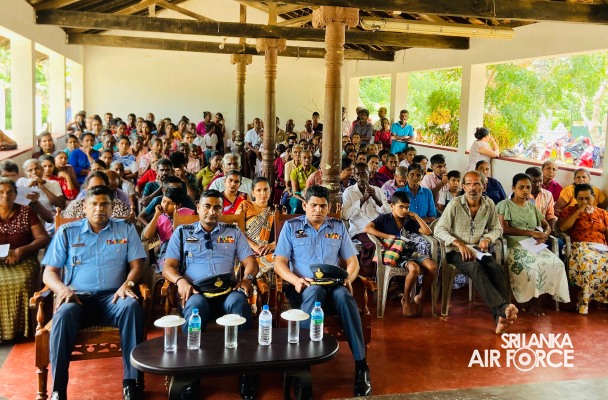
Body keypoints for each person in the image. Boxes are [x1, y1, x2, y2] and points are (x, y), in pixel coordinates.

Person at [42, 185, 147, 400]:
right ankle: (58, 390)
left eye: (104, 204)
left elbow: (138, 265)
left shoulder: (126, 229)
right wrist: (62, 289)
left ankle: (131, 383)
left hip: (113, 298)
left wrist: (127, 284)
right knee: (63, 314)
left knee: (132, 307)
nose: (100, 209)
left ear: (112, 206)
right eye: (94, 204)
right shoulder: (67, 232)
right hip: (78, 298)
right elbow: (49, 272)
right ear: (84, 206)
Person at [274, 185, 371, 396]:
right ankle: (303, 366)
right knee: (314, 292)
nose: (318, 210)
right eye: (314, 205)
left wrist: (349, 279)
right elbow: (279, 263)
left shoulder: (338, 227)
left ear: (328, 207)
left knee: (345, 296)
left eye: (322, 206)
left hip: (333, 286)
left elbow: (352, 261)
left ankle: (361, 365)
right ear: (305, 205)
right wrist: (295, 280)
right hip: (304, 288)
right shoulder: (291, 227)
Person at [162, 189, 259, 399]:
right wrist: (180, 281)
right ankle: (190, 376)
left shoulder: (233, 232)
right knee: (195, 309)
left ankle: (247, 373)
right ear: (198, 208)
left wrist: (247, 279)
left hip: (227, 292)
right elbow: (168, 267)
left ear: (222, 210)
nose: (212, 212)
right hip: (197, 292)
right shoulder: (182, 232)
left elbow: (251, 263)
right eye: (207, 206)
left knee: (240, 303)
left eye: (217, 207)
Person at [434, 170, 518, 334]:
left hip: (478, 250)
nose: (473, 188)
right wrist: (458, 243)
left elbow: (497, 229)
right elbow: (439, 229)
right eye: (469, 184)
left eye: (477, 184)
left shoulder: (489, 204)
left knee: (495, 267)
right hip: (455, 251)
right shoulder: (455, 204)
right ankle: (503, 309)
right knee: (474, 268)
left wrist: (487, 239)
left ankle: (500, 318)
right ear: (463, 187)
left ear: (484, 187)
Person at [496, 173, 569, 316]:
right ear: (513, 188)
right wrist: (532, 232)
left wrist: (544, 235)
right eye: (521, 187)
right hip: (515, 245)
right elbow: (504, 229)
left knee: (557, 264)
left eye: (528, 187)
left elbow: (546, 225)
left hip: (534, 244)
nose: (525, 190)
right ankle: (533, 300)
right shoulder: (505, 205)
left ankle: (541, 297)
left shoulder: (531, 206)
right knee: (532, 267)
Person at [363, 191, 437, 317]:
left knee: (432, 266)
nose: (404, 210)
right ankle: (406, 299)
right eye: (401, 207)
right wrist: (387, 236)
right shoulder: (384, 218)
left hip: (410, 252)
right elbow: (367, 228)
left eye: (407, 207)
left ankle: (420, 297)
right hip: (395, 253)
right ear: (392, 206)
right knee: (414, 268)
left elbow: (427, 232)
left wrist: (416, 216)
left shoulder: (408, 221)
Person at [0, 178, 50, 341]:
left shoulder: (26, 211)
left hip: (25, 259)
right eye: (1, 192)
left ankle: (21, 331)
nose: (5, 195)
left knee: (21, 281)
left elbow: (43, 238)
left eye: (9, 192)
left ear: (15, 194)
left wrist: (21, 250)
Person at [558, 183, 608, 314]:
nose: (584, 201)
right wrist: (579, 211)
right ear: (575, 198)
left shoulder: (602, 213)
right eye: (580, 198)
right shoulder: (569, 211)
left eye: (588, 198)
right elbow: (562, 227)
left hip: (601, 247)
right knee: (588, 262)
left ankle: (602, 299)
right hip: (580, 246)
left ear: (594, 197)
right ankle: (584, 301)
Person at [142, 187, 194, 273]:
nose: (165, 205)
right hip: (167, 249)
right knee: (168, 268)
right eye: (163, 201)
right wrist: (156, 215)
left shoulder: (187, 213)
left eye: (169, 203)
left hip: (186, 246)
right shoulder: (159, 217)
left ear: (178, 205)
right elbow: (147, 235)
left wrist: (176, 217)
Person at [17, 159, 66, 234]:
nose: (34, 172)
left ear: (42, 169)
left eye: (37, 168)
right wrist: (29, 185)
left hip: (49, 220)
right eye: (30, 170)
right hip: (27, 221)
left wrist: (43, 187)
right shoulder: (22, 182)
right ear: (26, 173)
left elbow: (61, 205)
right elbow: (17, 202)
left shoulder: (53, 183)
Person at [63, 171, 131, 219]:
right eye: (92, 188)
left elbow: (126, 229)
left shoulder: (119, 206)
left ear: (107, 188)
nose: (96, 191)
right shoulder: (75, 206)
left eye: (100, 187)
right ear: (86, 188)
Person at [289, 149, 317, 214]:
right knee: (297, 203)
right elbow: (295, 193)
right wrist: (304, 200)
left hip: (311, 196)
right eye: (304, 158)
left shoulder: (315, 172)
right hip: (298, 197)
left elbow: (316, 189)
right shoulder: (295, 172)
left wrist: (309, 200)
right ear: (300, 159)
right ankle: (293, 219)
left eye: (309, 158)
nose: (307, 160)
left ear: (311, 159)